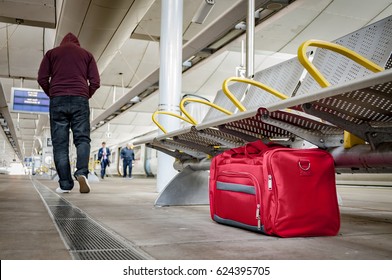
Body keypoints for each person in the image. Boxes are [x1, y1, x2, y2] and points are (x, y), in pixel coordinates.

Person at [37, 32, 100, 194]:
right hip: (80, 99)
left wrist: (53, 93)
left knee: (60, 145)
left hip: (58, 99)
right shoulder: (87, 55)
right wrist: (85, 94)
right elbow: (95, 82)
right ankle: (81, 172)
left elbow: (42, 78)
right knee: (82, 139)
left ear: (62, 43)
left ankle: (65, 184)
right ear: (77, 44)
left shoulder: (52, 54)